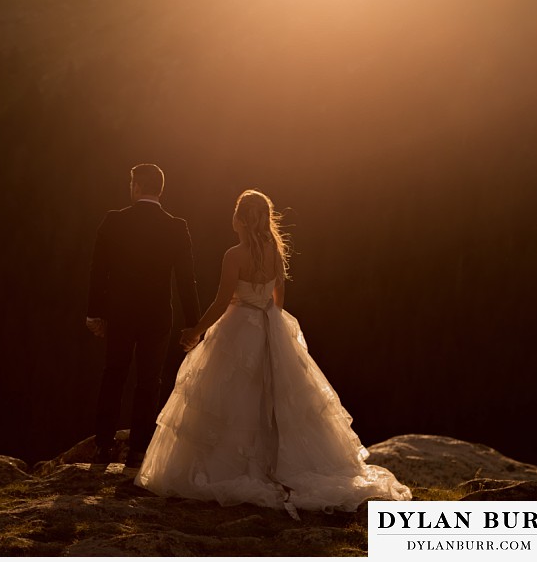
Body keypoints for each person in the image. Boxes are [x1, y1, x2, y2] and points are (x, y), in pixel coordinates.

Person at [135, 189, 411, 516]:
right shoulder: (275, 253)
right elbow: (279, 301)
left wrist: (195, 331)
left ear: (238, 218)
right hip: (270, 326)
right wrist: (273, 331)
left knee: (233, 399)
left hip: (239, 327)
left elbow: (223, 302)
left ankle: (235, 468)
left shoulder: (233, 255)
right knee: (275, 400)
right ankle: (279, 465)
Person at [87, 164, 200, 468]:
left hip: (120, 313)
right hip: (157, 315)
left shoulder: (114, 221)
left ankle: (103, 447)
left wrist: (95, 313)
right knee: (149, 381)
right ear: (159, 190)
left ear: (136, 186)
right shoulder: (176, 226)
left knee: (114, 375)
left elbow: (99, 271)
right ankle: (138, 451)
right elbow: (186, 279)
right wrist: (194, 323)